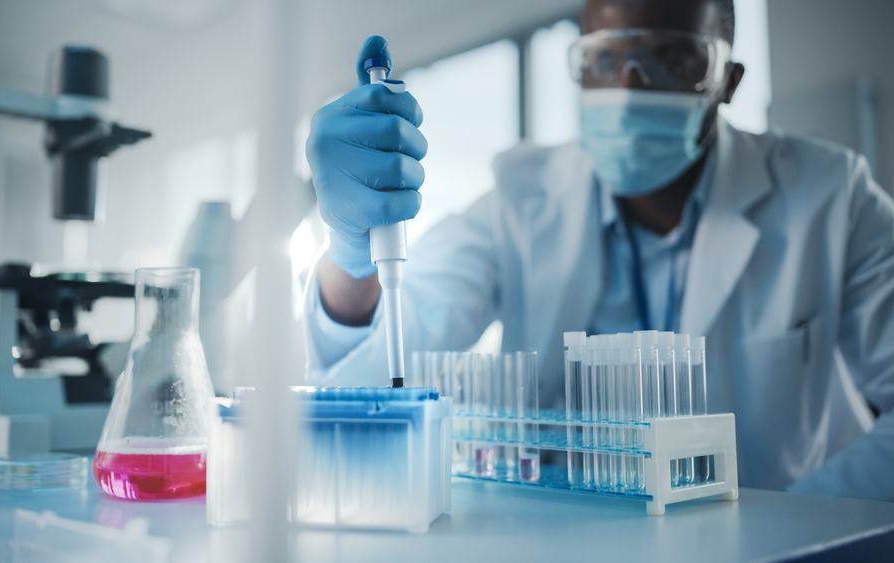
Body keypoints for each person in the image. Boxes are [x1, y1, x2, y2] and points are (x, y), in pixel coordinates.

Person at [303, 0, 894, 501]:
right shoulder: (520, 195)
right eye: (604, 59)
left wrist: (791, 530)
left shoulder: (830, 195)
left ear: (727, 81)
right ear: (580, 72)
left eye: (670, 57)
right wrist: (354, 253)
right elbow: (391, 356)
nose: (630, 83)